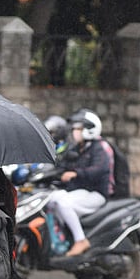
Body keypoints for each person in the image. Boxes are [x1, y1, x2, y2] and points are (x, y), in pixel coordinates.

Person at [48, 108, 111, 256]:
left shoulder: (98, 149)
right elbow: (65, 163)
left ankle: (80, 240)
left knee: (64, 203)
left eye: (78, 128)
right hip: (80, 191)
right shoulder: (79, 148)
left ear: (89, 130)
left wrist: (76, 173)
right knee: (51, 199)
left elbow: (99, 170)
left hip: (95, 193)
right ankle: (60, 238)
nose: (75, 131)